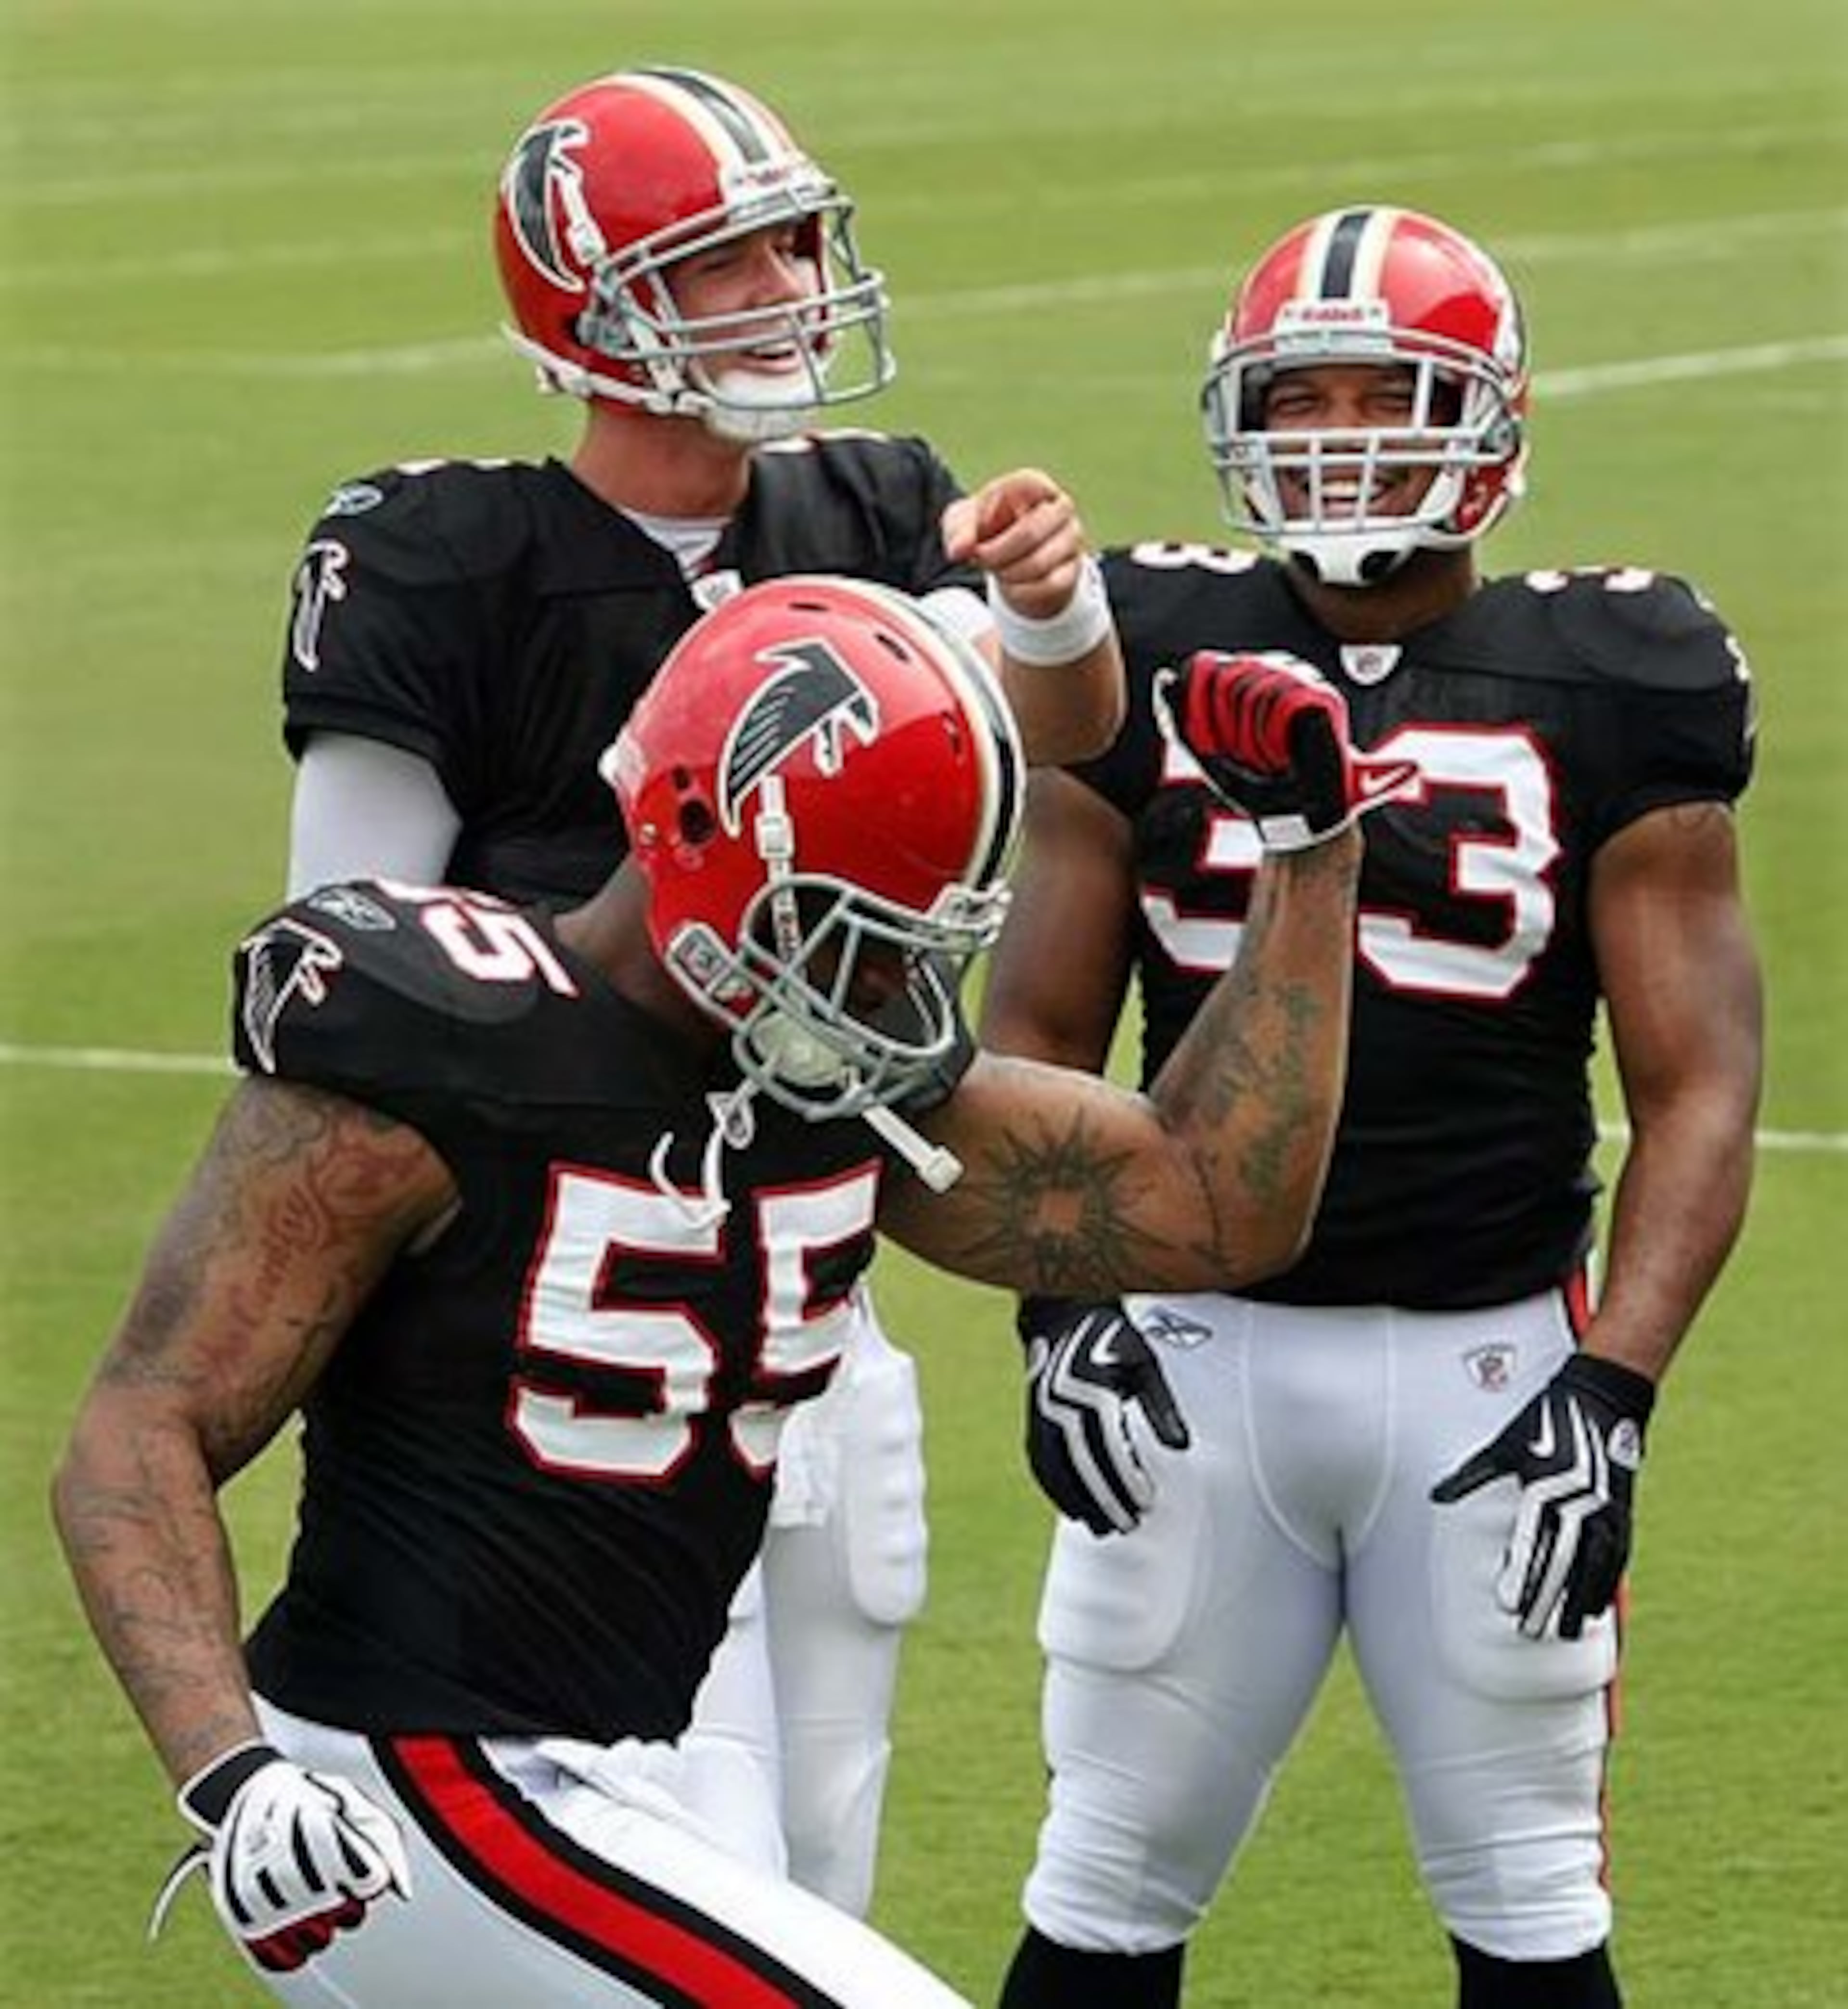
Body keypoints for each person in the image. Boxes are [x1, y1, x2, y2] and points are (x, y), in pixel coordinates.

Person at [54, 577, 1371, 2006]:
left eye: (915, 950)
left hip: (631, 1775)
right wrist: (230, 1772)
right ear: (699, 831)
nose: (883, 994)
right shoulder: (441, 1047)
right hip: (401, 1792)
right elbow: (141, 1427)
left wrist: (1312, 856)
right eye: (853, 936)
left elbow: (1215, 1210)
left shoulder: (829, 1078)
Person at [277, 64, 1125, 1919]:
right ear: (590, 307)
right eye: (731, 262)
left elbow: (1055, 738)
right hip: (566, 1315)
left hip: (811, 1265)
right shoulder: (449, 560)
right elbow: (335, 963)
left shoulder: (872, 507)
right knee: (686, 1865)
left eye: (794, 245)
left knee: (829, 1850)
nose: (791, 289)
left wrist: (1053, 606)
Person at [981, 206, 1763, 2009]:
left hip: (1490, 1373)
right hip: (1191, 1348)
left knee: (1527, 1887)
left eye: (1388, 396)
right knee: (1103, 1876)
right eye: (1300, 396)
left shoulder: (1615, 671)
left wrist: (1617, 1386)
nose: (1339, 437)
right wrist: (1060, 1304)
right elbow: (1031, 1020)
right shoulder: (1142, 645)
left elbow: (1701, 1083)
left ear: (1488, 426)